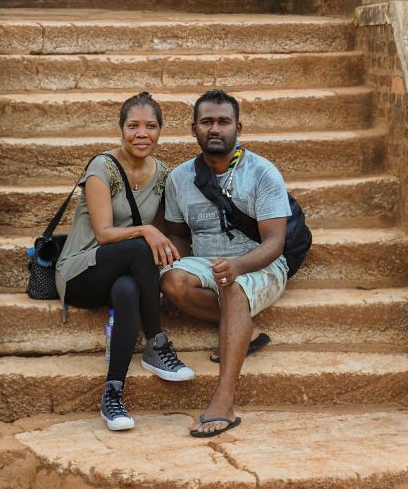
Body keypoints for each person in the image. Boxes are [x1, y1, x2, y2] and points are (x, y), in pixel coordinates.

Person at [56, 92, 195, 432]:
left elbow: (163, 237)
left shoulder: (163, 175)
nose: (141, 134)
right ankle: (157, 340)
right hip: (81, 271)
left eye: (151, 126)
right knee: (139, 246)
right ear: (121, 129)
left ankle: (112, 392)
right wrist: (146, 230)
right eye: (133, 126)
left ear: (161, 131)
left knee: (129, 287)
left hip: (122, 272)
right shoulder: (101, 167)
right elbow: (103, 234)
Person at [160, 90, 290, 437]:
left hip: (260, 264)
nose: (214, 128)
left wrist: (238, 267)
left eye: (223, 121)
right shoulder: (179, 178)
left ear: (238, 127)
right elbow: (175, 231)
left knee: (233, 288)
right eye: (207, 122)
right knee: (172, 281)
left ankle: (223, 401)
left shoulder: (262, 172)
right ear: (194, 129)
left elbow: (276, 242)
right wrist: (179, 260)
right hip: (206, 261)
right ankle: (246, 329)